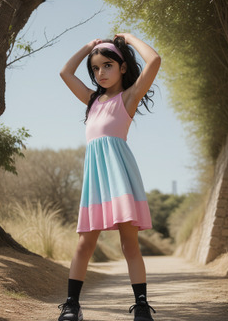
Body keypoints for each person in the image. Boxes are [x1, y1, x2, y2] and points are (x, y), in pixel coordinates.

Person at [58, 33, 161, 321]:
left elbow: (154, 60)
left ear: (123, 67)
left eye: (107, 66)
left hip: (120, 179)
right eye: (95, 68)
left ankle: (141, 306)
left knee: (130, 245)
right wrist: (88, 46)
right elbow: (65, 72)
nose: (100, 73)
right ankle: (71, 306)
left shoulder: (128, 97)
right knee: (84, 244)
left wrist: (128, 38)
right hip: (95, 182)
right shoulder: (92, 100)